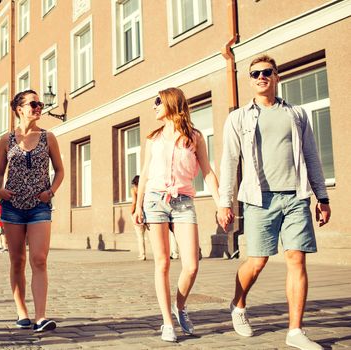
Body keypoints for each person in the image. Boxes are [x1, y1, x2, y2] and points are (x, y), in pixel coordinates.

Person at [217, 54, 331, 350]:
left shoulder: (296, 114)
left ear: (276, 76)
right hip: (258, 199)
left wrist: (322, 196)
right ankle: (238, 304)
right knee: (257, 261)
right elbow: (229, 161)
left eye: (267, 72)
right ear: (250, 79)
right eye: (255, 74)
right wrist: (224, 202)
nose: (261, 77)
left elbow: (311, 156)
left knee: (296, 258)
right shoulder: (239, 118)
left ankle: (295, 331)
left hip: (295, 197)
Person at [134, 87, 222, 342]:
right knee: (162, 263)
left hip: (183, 202)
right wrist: (138, 206)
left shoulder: (194, 137)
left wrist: (220, 203)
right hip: (155, 200)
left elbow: (206, 171)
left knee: (191, 265)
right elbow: (145, 173)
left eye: (158, 101)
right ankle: (167, 322)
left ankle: (180, 306)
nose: (154, 106)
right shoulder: (153, 138)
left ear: (172, 103)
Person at [0, 89, 64, 333]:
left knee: (39, 259)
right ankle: (22, 312)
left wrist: (50, 192)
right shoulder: (7, 139)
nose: (38, 107)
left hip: (39, 206)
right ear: (19, 109)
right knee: (17, 261)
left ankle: (40, 316)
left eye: (40, 103)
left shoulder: (48, 137)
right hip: (12, 207)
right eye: (33, 103)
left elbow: (60, 170)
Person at [130, 175, 147, 260]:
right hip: (147, 212)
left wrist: (131, 213)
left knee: (140, 235)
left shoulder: (134, 190)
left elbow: (134, 202)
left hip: (138, 212)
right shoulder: (145, 189)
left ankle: (142, 254)